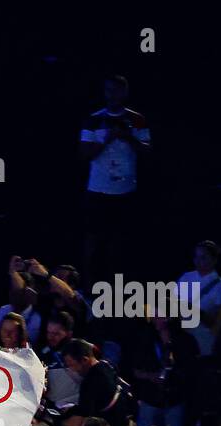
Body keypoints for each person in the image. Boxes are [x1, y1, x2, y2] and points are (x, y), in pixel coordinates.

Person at [80, 74, 150, 280]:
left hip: (125, 190)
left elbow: (147, 151)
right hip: (98, 190)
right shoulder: (93, 119)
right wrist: (107, 139)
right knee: (93, 240)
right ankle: (89, 284)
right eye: (109, 90)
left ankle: (119, 286)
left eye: (117, 90)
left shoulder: (137, 119)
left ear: (125, 92)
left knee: (121, 242)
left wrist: (128, 136)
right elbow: (84, 153)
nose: (112, 95)